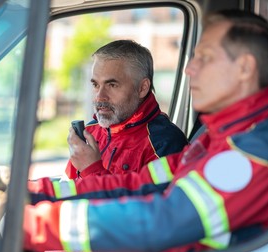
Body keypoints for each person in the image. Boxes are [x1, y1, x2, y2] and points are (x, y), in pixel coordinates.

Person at [0, 9, 268, 252]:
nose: (188, 69)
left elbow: (161, 221)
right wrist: (28, 192)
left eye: (205, 58)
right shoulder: (216, 139)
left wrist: (32, 224)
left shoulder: (250, 150)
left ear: (244, 69)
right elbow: (136, 184)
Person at [64, 39, 188, 180]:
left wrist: (92, 170)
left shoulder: (166, 143)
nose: (99, 97)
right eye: (96, 85)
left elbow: (149, 201)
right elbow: (68, 187)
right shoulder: (91, 132)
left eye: (112, 85)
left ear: (142, 88)